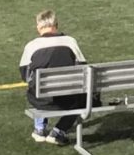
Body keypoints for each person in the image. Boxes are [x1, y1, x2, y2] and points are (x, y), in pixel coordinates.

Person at [19, 9, 87, 145]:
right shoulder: (70, 42)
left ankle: (39, 128)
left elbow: (25, 75)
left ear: (39, 27)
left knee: (36, 88)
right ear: (56, 25)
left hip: (41, 100)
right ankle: (58, 131)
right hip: (68, 98)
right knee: (83, 98)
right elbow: (83, 69)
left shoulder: (31, 46)